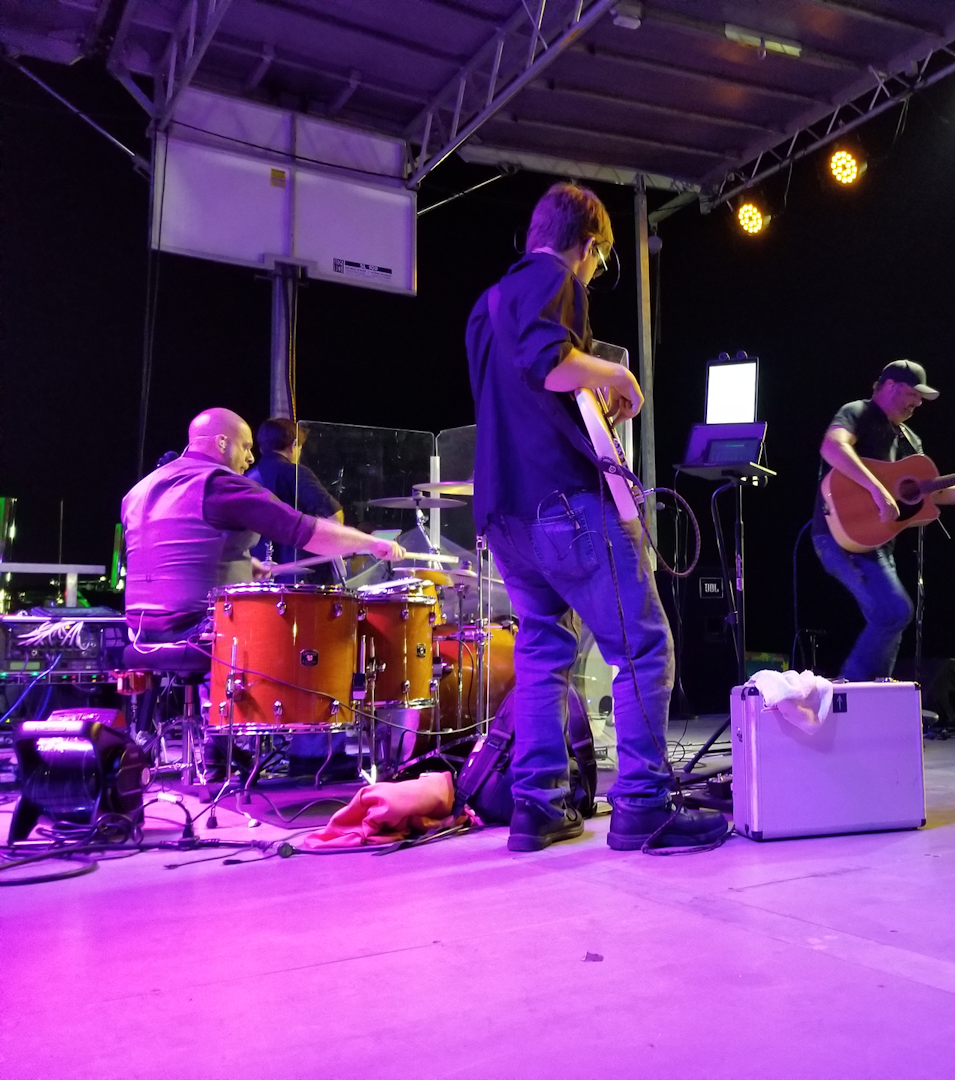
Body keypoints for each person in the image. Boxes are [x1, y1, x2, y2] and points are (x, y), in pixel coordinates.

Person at [466, 182, 727, 854]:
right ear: (587, 246)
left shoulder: (486, 305)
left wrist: (590, 393)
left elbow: (525, 389)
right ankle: (641, 805)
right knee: (642, 646)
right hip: (562, 503)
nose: (591, 271)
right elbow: (548, 362)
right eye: (597, 260)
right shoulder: (555, 277)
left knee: (543, 652)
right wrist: (617, 378)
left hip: (504, 512)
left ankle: (538, 806)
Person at [122, 408, 404, 643]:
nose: (250, 457)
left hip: (139, 632)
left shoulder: (138, 490)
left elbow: (168, 550)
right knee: (305, 642)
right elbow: (305, 530)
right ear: (222, 443)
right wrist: (371, 543)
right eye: (245, 447)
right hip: (197, 629)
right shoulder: (220, 484)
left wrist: (243, 566)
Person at [811, 360, 955, 681]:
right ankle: (852, 691)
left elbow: (933, 492)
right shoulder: (858, 412)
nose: (917, 403)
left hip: (875, 542)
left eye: (920, 399)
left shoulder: (910, 441)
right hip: (838, 535)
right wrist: (876, 489)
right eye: (913, 394)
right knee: (895, 612)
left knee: (891, 617)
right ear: (888, 385)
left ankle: (875, 692)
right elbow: (833, 446)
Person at [246, 417, 344, 582]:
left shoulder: (247, 477)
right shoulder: (295, 472)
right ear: (294, 445)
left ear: (262, 448)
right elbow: (335, 517)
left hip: (255, 576)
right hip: (298, 578)